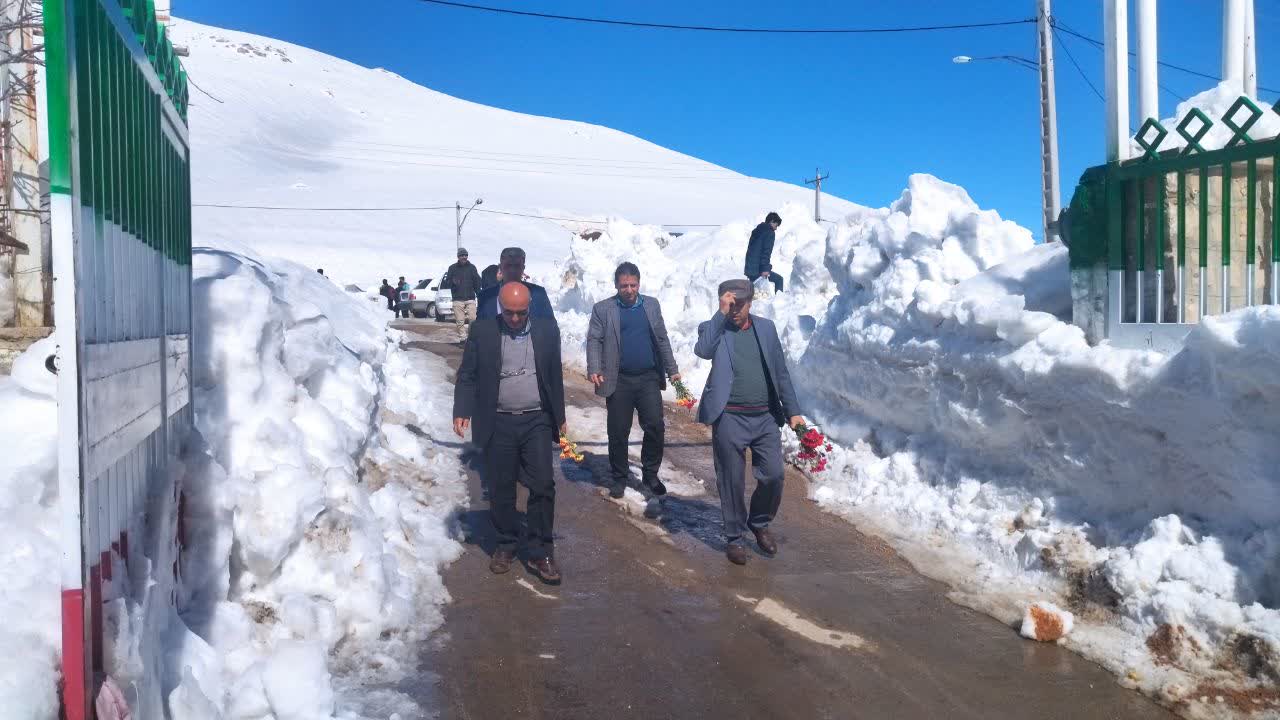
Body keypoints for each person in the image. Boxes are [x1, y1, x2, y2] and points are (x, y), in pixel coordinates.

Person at [454, 282, 567, 585]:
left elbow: (554, 375)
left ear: (529, 307)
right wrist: (462, 409)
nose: (515, 319)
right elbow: (468, 374)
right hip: (498, 421)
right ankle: (506, 543)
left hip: (536, 420)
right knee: (501, 487)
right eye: (509, 313)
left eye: (521, 313)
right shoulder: (483, 331)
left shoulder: (546, 330)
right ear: (500, 308)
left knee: (543, 484)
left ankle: (541, 550)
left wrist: (560, 418)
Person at [694, 278, 802, 565]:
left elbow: (780, 372)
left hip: (765, 416)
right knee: (731, 479)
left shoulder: (766, 328)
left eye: (739, 305)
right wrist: (720, 313)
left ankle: (759, 522)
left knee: (773, 475)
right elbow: (703, 350)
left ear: (750, 303)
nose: (735, 310)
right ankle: (734, 538)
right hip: (730, 416)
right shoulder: (713, 328)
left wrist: (793, 410)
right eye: (729, 305)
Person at [586, 262, 680, 511]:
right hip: (619, 380)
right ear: (616, 285)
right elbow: (594, 339)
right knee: (618, 430)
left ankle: (650, 474)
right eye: (624, 286)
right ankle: (619, 477)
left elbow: (662, 339)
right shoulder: (603, 309)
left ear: (639, 283)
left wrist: (672, 369)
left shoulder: (651, 305)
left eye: (633, 285)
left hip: (648, 378)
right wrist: (594, 367)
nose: (629, 290)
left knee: (655, 426)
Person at [475, 247, 556, 322]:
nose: (512, 271)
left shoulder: (538, 294)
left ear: (523, 268)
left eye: (517, 266)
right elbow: (480, 327)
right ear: (500, 267)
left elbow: (550, 327)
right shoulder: (486, 296)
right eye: (508, 266)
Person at [447, 248, 483, 340]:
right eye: (462, 255)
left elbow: (477, 282)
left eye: (466, 255)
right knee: (460, 321)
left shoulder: (472, 268)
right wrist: (453, 281)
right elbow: (447, 282)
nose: (464, 257)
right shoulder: (452, 268)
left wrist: (479, 294)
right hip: (457, 299)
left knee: (473, 319)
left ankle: (471, 338)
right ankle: (463, 338)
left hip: (470, 298)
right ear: (458, 257)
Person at [744, 211, 783, 294]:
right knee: (779, 280)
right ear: (771, 221)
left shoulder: (757, 231)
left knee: (756, 294)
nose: (776, 228)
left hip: (750, 268)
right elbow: (765, 253)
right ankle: (780, 301)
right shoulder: (769, 233)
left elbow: (753, 251)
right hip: (758, 270)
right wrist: (765, 269)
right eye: (776, 225)